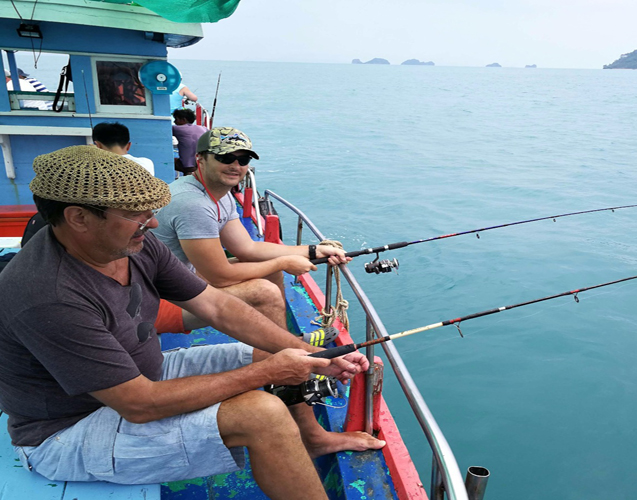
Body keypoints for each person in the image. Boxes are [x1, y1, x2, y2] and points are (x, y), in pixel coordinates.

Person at [0, 146, 383, 499]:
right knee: (262, 413)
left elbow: (217, 306)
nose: (152, 223)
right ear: (78, 218)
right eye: (136, 213)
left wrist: (307, 352)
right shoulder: (46, 295)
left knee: (271, 352)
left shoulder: (131, 243)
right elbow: (139, 406)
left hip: (144, 372)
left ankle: (312, 437)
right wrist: (271, 371)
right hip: (69, 430)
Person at [152, 127, 349, 333]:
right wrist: (282, 263)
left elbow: (247, 248)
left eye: (243, 160)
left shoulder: (218, 193)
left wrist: (312, 251)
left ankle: (284, 340)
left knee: (267, 268)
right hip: (153, 304)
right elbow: (221, 276)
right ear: (200, 158)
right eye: (225, 158)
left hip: (175, 282)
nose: (235, 166)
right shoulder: (192, 204)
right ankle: (284, 354)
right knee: (264, 292)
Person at [172, 108, 207, 175]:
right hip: (202, 164)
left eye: (176, 119)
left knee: (167, 161)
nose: (174, 122)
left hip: (188, 166)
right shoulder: (204, 128)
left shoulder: (176, 129)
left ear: (183, 120)